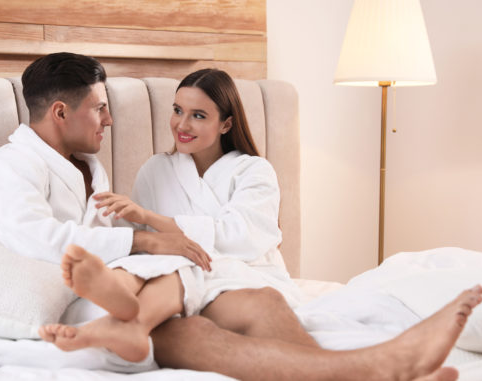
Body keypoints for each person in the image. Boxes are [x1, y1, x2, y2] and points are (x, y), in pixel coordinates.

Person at [0, 53, 482, 381]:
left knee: (244, 301)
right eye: (99, 107)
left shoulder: (91, 171)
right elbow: (46, 241)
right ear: (60, 113)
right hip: (66, 298)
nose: (109, 118)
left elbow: (167, 238)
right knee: (192, 322)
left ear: (226, 122)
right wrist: (147, 243)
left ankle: (370, 370)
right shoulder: (11, 168)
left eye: (200, 115)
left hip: (168, 286)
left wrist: (152, 239)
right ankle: (370, 370)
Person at [38, 68, 303, 362]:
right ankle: (118, 304)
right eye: (178, 110)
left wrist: (151, 219)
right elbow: (137, 239)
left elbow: (241, 237)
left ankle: (128, 323)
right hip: (176, 285)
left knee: (182, 257)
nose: (182, 124)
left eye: (198, 115)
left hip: (250, 278)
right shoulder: (157, 169)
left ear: (226, 124)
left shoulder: (253, 170)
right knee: (159, 257)